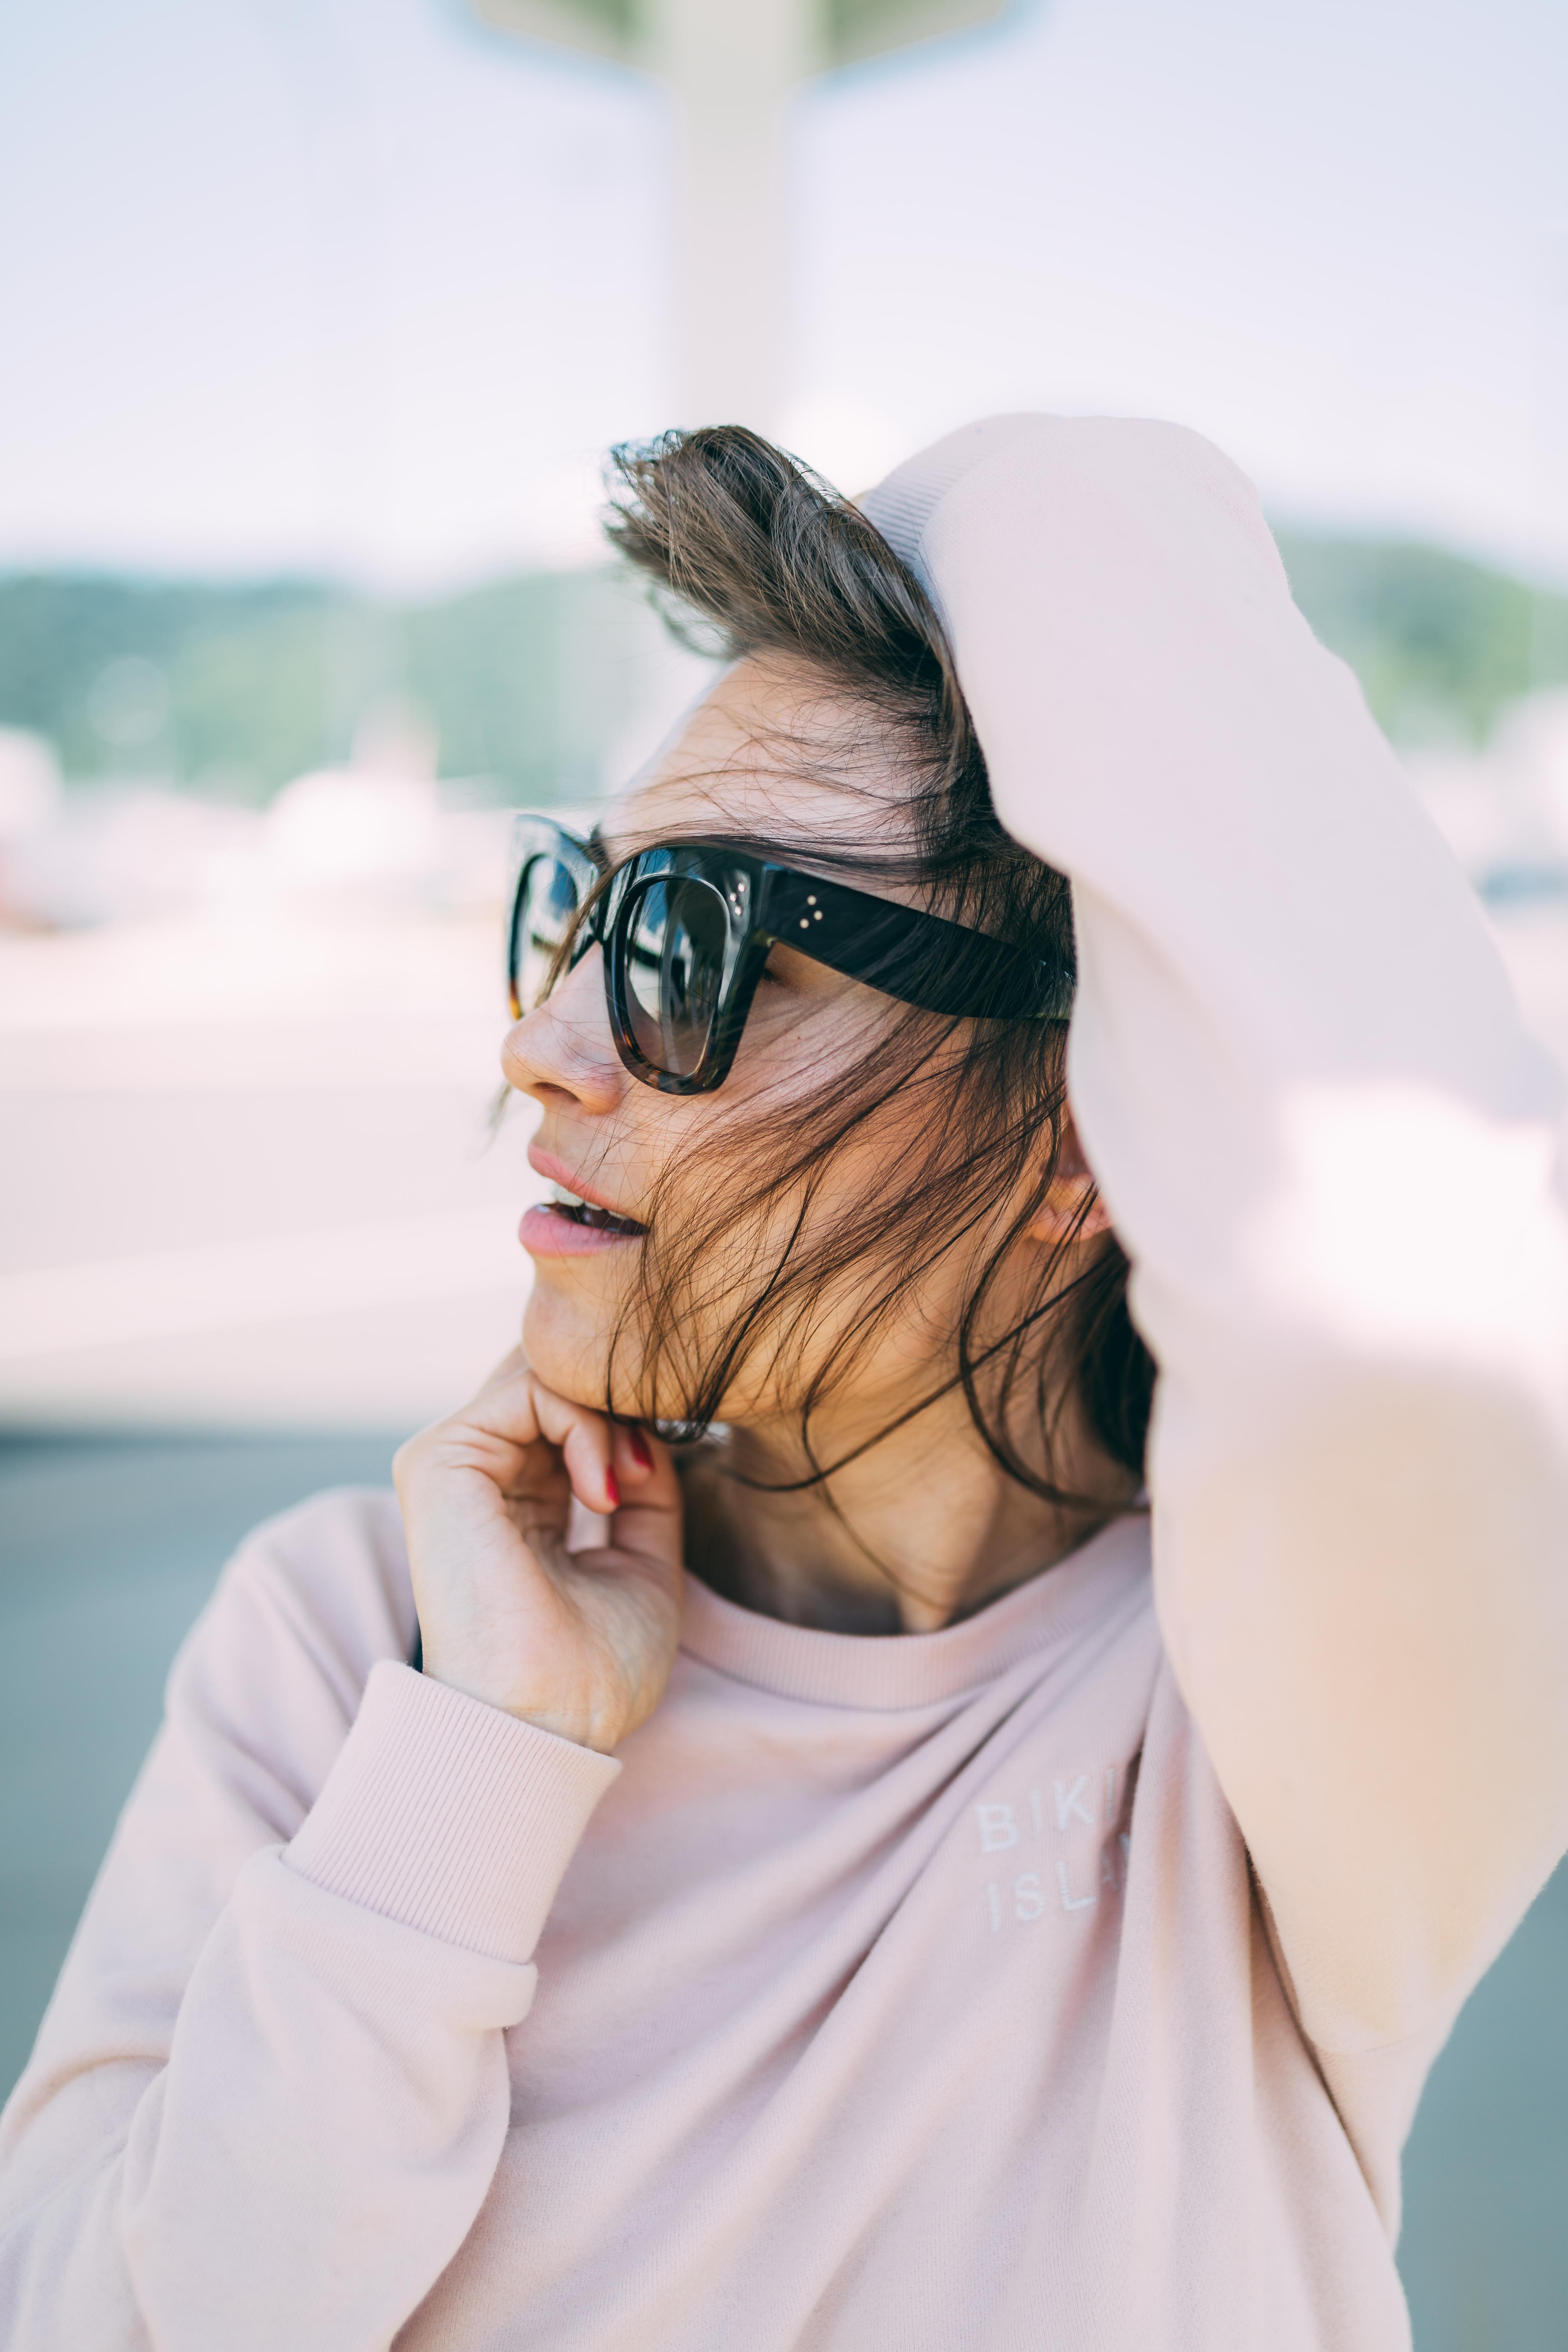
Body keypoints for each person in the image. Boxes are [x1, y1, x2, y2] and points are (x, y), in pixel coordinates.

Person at [3, 417, 1567, 2352]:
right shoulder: (354, 1640)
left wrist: (943, 530)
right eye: (575, 906)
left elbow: (1409, 1239)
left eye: (697, 941)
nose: (544, 1043)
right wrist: (474, 1771)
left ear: (1089, 1126)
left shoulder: (1264, 1737)